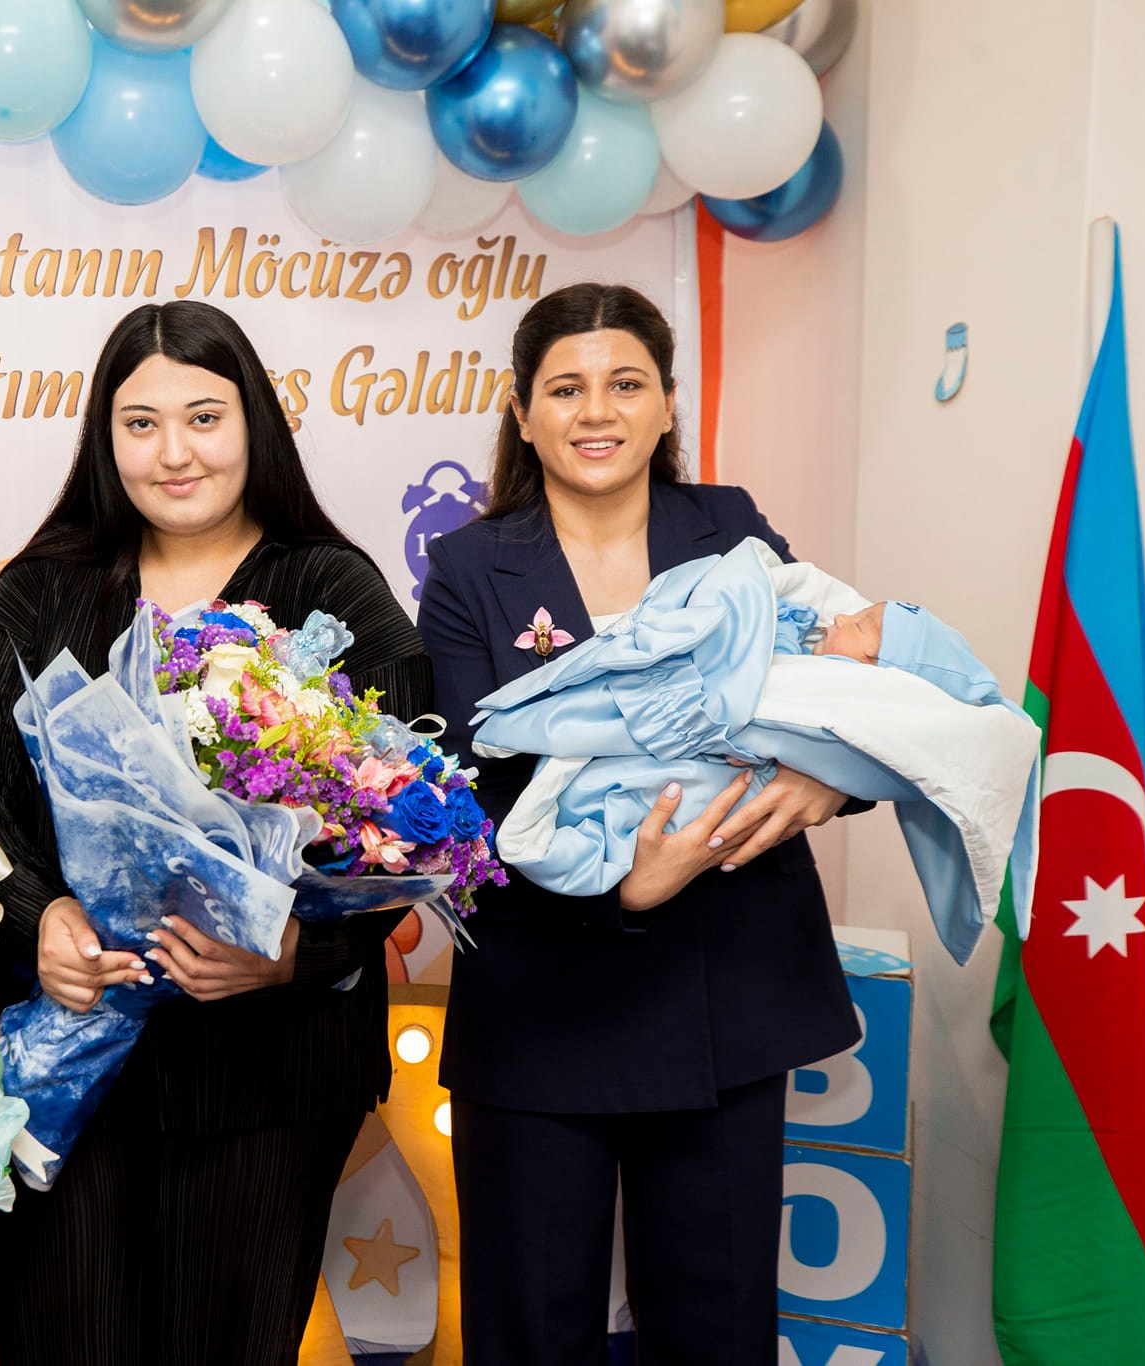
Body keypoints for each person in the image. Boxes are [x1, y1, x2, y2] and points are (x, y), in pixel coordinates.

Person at [0, 300, 430, 1366]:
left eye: (204, 417)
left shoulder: (329, 588)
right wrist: (40, 916)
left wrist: (294, 950)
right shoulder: (44, 587)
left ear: (254, 424)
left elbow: (402, 820)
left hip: (268, 1071)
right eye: (140, 423)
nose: (174, 452)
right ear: (104, 440)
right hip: (68, 1060)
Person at [417, 282, 865, 1366]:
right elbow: (465, 796)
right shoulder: (470, 567)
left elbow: (836, 691)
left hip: (726, 990)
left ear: (667, 404)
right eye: (565, 388)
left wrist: (827, 780)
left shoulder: (729, 525)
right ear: (522, 412)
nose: (596, 411)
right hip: (541, 1001)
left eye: (624, 384)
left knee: (718, 1331)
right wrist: (624, 888)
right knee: (529, 1332)